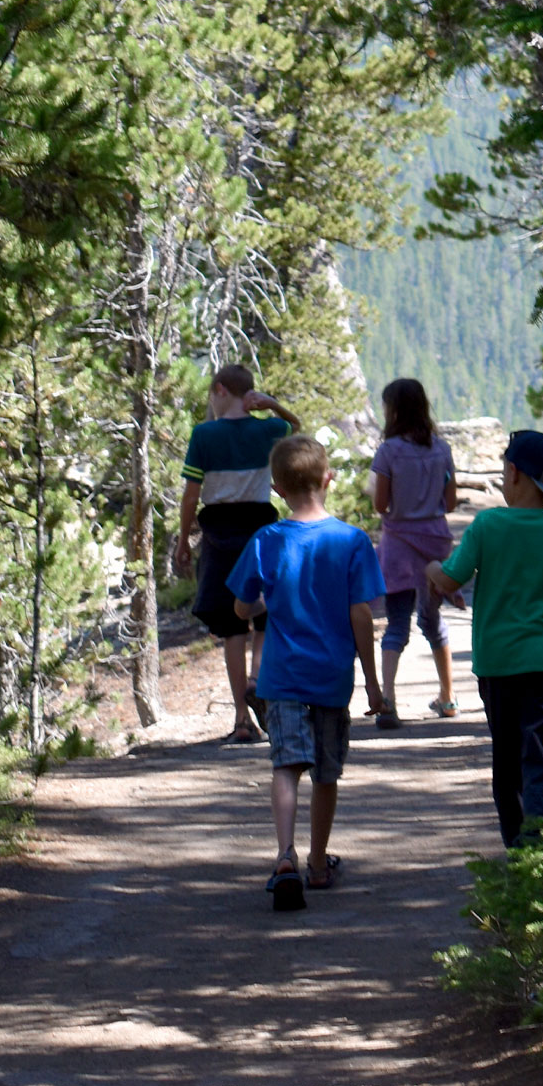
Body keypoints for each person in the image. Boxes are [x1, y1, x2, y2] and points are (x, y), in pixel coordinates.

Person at [427, 430, 543, 848]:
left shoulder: (488, 525)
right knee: (542, 758)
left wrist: (433, 568)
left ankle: (517, 848)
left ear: (512, 473)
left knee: (507, 761)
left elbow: (451, 578)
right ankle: (538, 846)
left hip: (497, 664)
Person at [230, 433, 389, 911]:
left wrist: (264, 602)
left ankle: (284, 856)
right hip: (330, 679)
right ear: (329, 479)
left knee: (286, 765)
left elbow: (240, 608)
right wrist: (375, 684)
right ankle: (318, 864)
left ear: (276, 489)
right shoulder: (352, 540)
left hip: (282, 677)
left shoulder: (267, 540)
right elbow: (361, 615)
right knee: (325, 771)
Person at [175, 364, 302, 742]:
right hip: (260, 526)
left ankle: (241, 720)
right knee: (263, 613)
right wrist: (275, 406)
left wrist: (184, 540)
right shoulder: (270, 429)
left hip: (218, 530)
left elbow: (191, 495)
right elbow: (296, 429)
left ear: (219, 390)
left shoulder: (204, 435)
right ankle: (256, 679)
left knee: (231, 625)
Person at [370, 377, 459, 727]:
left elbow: (381, 504)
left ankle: (388, 701)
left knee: (396, 624)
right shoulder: (442, 448)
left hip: (399, 545)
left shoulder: (388, 451)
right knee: (432, 620)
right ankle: (448, 696)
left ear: (392, 411)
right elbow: (450, 502)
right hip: (434, 543)